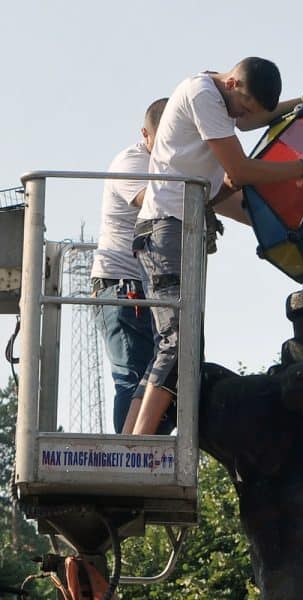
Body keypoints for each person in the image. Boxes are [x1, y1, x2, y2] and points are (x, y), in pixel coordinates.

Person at [127, 56, 303, 435]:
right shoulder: (203, 95)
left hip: (177, 228)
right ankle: (137, 443)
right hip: (165, 229)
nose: (243, 119)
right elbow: (241, 172)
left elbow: (251, 118)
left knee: (176, 342)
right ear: (232, 84)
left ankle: (130, 439)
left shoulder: (222, 99)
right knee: (179, 342)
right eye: (243, 107)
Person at [91, 98, 174, 434]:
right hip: (123, 286)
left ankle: (144, 450)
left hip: (152, 287)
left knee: (164, 376)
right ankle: (128, 457)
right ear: (147, 134)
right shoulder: (133, 161)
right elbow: (154, 203)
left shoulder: (171, 168)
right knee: (134, 375)